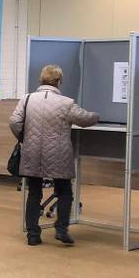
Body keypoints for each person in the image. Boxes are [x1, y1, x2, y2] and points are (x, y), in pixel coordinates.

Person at [9, 64, 99, 246]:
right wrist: (99, 115)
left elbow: (14, 121)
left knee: (34, 193)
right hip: (58, 154)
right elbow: (85, 119)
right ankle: (61, 229)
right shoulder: (66, 103)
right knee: (65, 192)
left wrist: (24, 138)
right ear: (59, 81)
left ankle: (33, 235)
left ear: (41, 80)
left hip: (32, 152)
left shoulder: (27, 99)